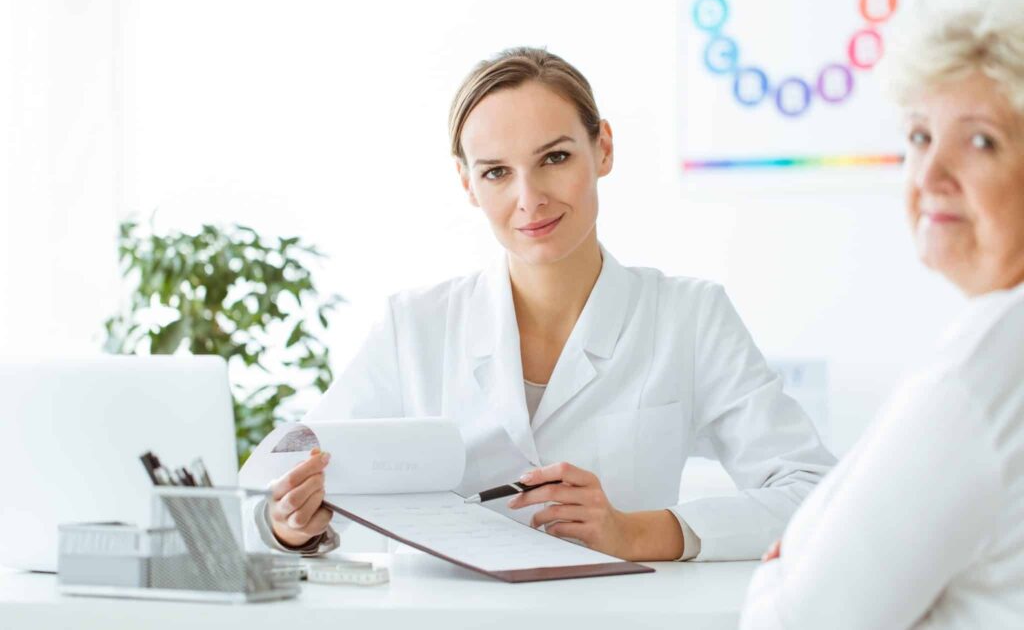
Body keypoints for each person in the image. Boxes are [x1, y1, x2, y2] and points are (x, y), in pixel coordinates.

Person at [251, 47, 834, 561]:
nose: (529, 199)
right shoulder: (416, 326)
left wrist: (637, 533)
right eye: (498, 172)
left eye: (555, 158)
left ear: (602, 148)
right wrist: (290, 525)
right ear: (467, 184)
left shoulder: (689, 316)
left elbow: (814, 495)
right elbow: (284, 485)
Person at [740, 0, 1024, 628]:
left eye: (979, 141)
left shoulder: (980, 376)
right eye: (921, 136)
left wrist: (782, 567)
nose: (928, 175)